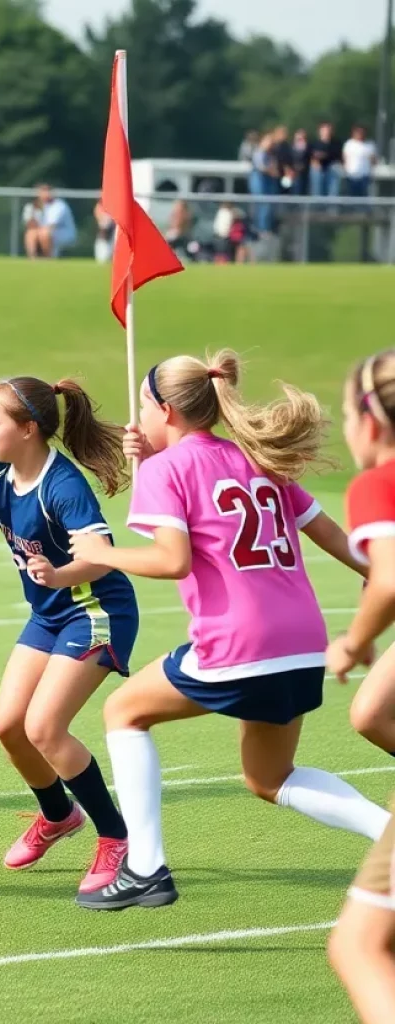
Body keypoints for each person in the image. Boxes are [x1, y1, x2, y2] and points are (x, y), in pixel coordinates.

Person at [70, 351, 390, 911]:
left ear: (166, 410)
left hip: (240, 640)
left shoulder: (171, 468)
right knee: (269, 777)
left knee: (123, 712)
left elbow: (172, 558)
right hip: (304, 641)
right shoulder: (257, 457)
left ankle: (145, 867)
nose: (137, 417)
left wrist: (104, 553)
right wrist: (377, 573)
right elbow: (331, 534)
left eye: (143, 405)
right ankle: (388, 831)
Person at [0, 377, 136, 897]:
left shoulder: (63, 486)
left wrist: (59, 575)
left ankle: (116, 837)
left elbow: (100, 555)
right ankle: (59, 815)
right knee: (9, 726)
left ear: (28, 429)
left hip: (95, 610)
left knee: (45, 728)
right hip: (51, 613)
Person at [327, 350, 395, 1024]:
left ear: (371, 421)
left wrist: (355, 638)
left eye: (348, 412)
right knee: (372, 711)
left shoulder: (379, 483)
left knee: (359, 946)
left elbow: (392, 577)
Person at [343, 125, 377, 203]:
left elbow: (374, 161)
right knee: (351, 197)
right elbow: (344, 158)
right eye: (358, 132)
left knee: (364, 197)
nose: (360, 134)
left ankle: (363, 213)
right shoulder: (349, 144)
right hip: (351, 175)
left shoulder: (370, 145)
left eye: (362, 132)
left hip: (365, 176)